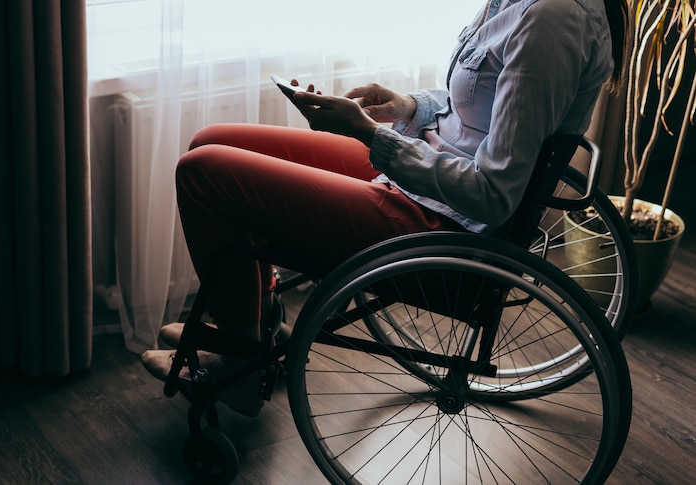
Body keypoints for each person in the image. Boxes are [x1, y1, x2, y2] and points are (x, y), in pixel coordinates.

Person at [141, 0, 629, 417]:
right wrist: (407, 107)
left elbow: (493, 193)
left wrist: (368, 134)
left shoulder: (552, 20)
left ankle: (241, 358)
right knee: (213, 141)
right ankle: (256, 323)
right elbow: (481, 110)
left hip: (444, 227)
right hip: (429, 176)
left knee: (203, 173)